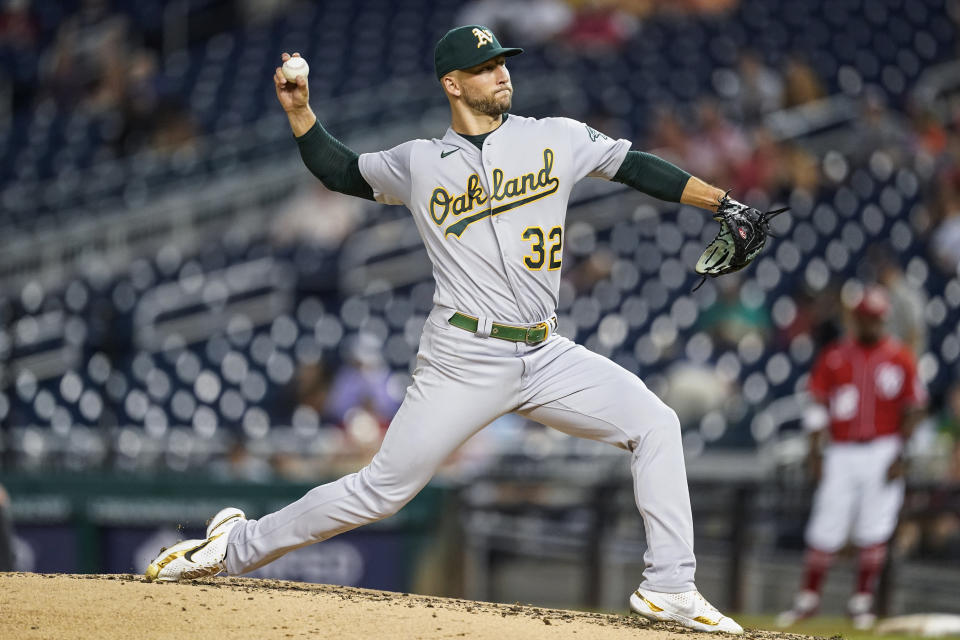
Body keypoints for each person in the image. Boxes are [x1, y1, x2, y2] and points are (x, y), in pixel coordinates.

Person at [145, 25, 759, 633]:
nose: (502, 72)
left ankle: (671, 586)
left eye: (503, 62)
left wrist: (721, 203)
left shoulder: (557, 138)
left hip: (546, 352)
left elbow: (635, 166)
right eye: (487, 66)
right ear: (453, 84)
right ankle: (234, 545)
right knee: (380, 492)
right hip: (462, 356)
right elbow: (341, 171)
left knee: (656, 423)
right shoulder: (419, 162)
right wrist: (302, 112)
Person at [776, 285, 927, 630]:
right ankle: (808, 600)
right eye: (867, 319)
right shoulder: (834, 355)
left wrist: (903, 453)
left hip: (883, 448)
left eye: (877, 319)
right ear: (857, 319)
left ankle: (861, 602)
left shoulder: (900, 356)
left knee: (875, 526)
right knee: (826, 523)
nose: (873, 325)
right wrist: (815, 453)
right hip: (841, 449)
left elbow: (914, 408)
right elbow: (817, 407)